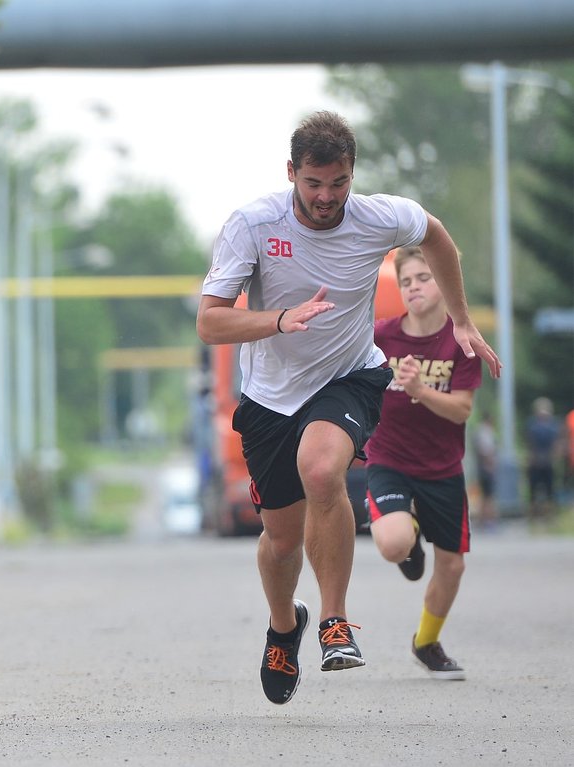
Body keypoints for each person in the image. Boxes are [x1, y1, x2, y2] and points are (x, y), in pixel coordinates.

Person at [196, 111, 501, 706]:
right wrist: (280, 319)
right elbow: (210, 321)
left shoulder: (378, 217)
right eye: (313, 183)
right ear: (292, 173)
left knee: (322, 468)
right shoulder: (254, 224)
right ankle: (286, 626)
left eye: (338, 183)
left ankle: (335, 622)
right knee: (280, 541)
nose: (326, 197)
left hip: (349, 375)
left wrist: (462, 319)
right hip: (269, 395)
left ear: (351, 175)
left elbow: (435, 236)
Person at [364, 246, 482, 681]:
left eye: (424, 278)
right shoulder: (380, 336)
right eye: (407, 280)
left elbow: (462, 411)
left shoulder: (462, 340)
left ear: (447, 282)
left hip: (443, 469)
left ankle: (426, 643)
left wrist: (418, 388)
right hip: (389, 459)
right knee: (393, 544)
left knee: (451, 565)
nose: (414, 287)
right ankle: (406, 536)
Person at [525, 396, 561, 522]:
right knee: (534, 491)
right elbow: (530, 443)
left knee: (548, 490)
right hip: (538, 461)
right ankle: (535, 516)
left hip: (545, 460)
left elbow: (555, 445)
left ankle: (548, 516)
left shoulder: (551, 426)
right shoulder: (535, 425)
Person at [472, 414, 498, 529]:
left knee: (484, 495)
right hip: (486, 469)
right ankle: (488, 520)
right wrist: (490, 464)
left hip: (481, 468)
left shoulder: (479, 432)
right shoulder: (486, 432)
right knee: (489, 496)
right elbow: (485, 451)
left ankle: (482, 520)